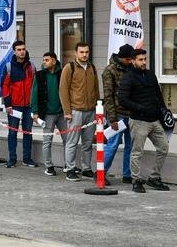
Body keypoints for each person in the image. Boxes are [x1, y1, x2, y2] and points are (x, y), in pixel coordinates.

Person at [118, 49, 170, 193]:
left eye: (145, 59)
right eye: (140, 60)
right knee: (136, 152)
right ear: (133, 61)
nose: (144, 62)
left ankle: (154, 178)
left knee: (164, 147)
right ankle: (136, 180)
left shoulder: (150, 74)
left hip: (155, 120)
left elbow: (158, 94)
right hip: (139, 121)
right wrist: (140, 108)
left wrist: (164, 112)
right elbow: (122, 100)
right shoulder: (128, 77)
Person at [59, 42, 100, 181]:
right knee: (72, 142)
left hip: (90, 111)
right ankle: (70, 169)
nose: (84, 55)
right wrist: (67, 111)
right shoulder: (69, 68)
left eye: (86, 52)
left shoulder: (92, 67)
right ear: (76, 53)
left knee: (88, 143)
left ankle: (86, 168)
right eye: (81, 52)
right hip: (75, 111)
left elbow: (96, 88)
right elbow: (63, 90)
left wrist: (98, 107)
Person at [1, 40, 37, 168]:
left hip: (28, 106)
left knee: (28, 132)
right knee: (12, 132)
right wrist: (8, 104)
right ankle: (12, 159)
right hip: (14, 106)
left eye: (23, 49)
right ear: (14, 51)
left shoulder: (31, 66)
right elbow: (4, 86)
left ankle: (27, 159)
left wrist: (35, 105)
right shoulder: (9, 67)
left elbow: (35, 86)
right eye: (19, 50)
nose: (22, 52)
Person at [102, 44, 134, 185]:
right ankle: (101, 172)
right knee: (113, 144)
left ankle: (127, 174)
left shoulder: (132, 68)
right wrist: (112, 118)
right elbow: (108, 96)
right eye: (129, 59)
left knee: (130, 145)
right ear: (122, 58)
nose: (131, 61)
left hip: (132, 113)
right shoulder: (110, 70)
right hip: (118, 114)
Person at [31, 52, 66, 176]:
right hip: (47, 114)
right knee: (47, 141)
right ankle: (49, 166)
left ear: (54, 61)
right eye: (43, 60)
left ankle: (67, 165)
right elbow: (34, 94)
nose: (44, 62)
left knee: (67, 140)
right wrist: (35, 112)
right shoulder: (39, 75)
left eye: (47, 60)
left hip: (62, 113)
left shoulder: (62, 73)